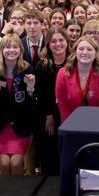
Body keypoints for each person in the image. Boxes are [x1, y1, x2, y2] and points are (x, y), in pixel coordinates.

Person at [0, 34, 37, 175]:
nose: (11, 50)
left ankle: (20, 195)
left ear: (20, 50)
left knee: (15, 165)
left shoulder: (27, 70)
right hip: (1, 125)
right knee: (4, 165)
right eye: (8, 47)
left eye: (15, 46)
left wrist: (30, 89)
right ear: (2, 49)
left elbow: (31, 104)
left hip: (21, 124)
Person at [33, 27, 69, 176]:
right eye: (53, 41)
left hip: (68, 112)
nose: (58, 44)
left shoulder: (73, 63)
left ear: (67, 42)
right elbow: (40, 94)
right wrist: (49, 115)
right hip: (48, 115)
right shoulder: (42, 66)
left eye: (61, 40)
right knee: (50, 152)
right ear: (48, 44)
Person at [56, 36, 99, 123]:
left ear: (96, 54)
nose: (85, 52)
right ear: (75, 52)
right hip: (71, 122)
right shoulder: (63, 73)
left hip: (98, 123)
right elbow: (62, 104)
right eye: (81, 49)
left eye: (89, 49)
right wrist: (69, 125)